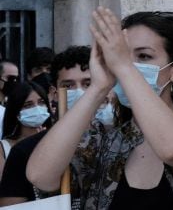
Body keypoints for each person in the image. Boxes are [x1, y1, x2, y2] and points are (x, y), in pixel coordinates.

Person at [27, 9, 173, 209]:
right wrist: (98, 87)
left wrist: (124, 66)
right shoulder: (106, 139)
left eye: (143, 56)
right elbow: (40, 175)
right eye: (122, 55)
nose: (126, 64)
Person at [0, 45, 109, 206]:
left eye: (88, 84)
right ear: (54, 93)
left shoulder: (115, 144)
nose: (79, 92)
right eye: (69, 85)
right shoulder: (24, 151)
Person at [0, 82, 50, 176]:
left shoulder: (56, 140)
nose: (37, 108)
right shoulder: (3, 148)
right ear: (16, 112)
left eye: (41, 102)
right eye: (28, 105)